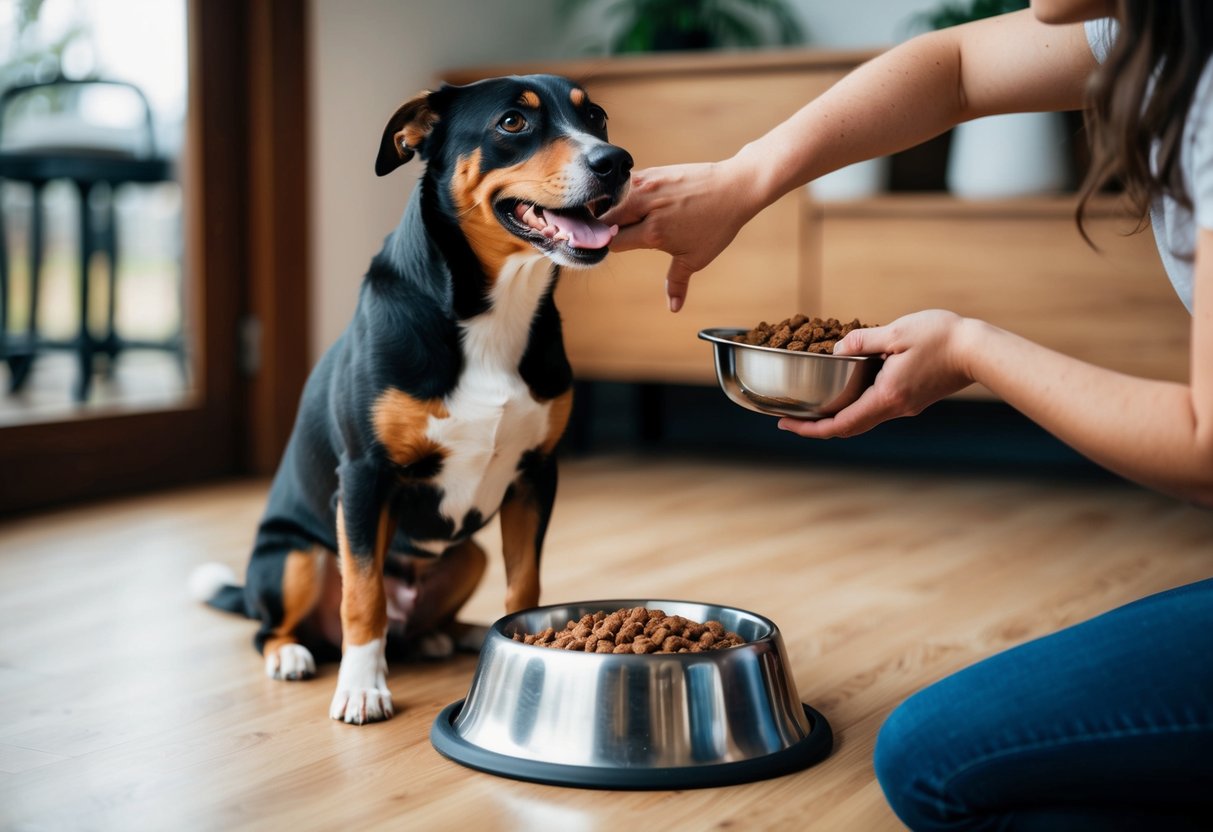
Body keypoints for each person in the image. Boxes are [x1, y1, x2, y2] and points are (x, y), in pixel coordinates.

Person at [600, 1, 1213, 827]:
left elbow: (1203, 448)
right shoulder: (1158, 22)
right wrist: (744, 177)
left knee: (934, 763)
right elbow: (951, 68)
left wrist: (970, 350)